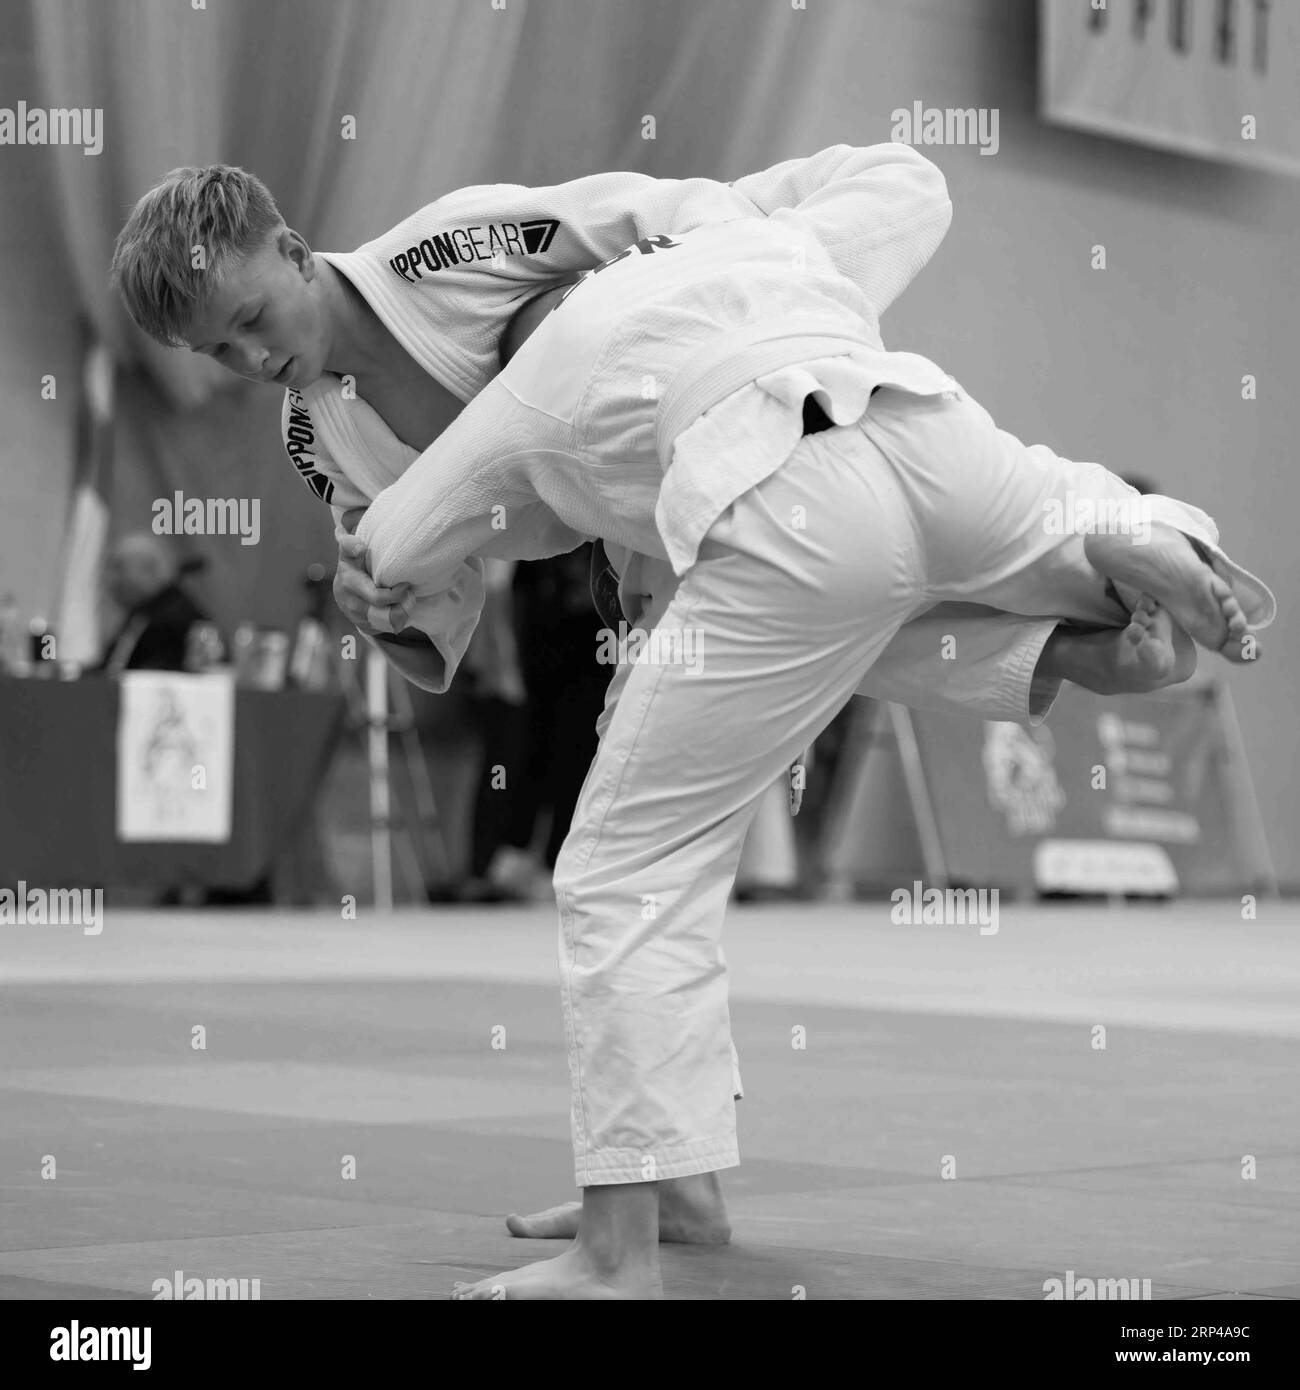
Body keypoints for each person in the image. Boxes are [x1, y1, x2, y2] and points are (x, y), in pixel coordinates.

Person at [107, 147, 1272, 1298]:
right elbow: (427, 579)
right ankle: (678, 1185)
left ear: (294, 252)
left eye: (251, 316)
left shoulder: (454, 245)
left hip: (702, 439)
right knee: (813, 668)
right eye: (217, 350)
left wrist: (748, 283)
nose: (251, 356)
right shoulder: (317, 436)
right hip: (720, 487)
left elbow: (683, 218)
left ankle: (622, 1248)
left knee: (627, 862)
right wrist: (378, 603)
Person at [94, 533, 208, 674]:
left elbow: (154, 677)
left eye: (119, 568)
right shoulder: (142, 614)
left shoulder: (175, 618)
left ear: (148, 570)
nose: (111, 580)